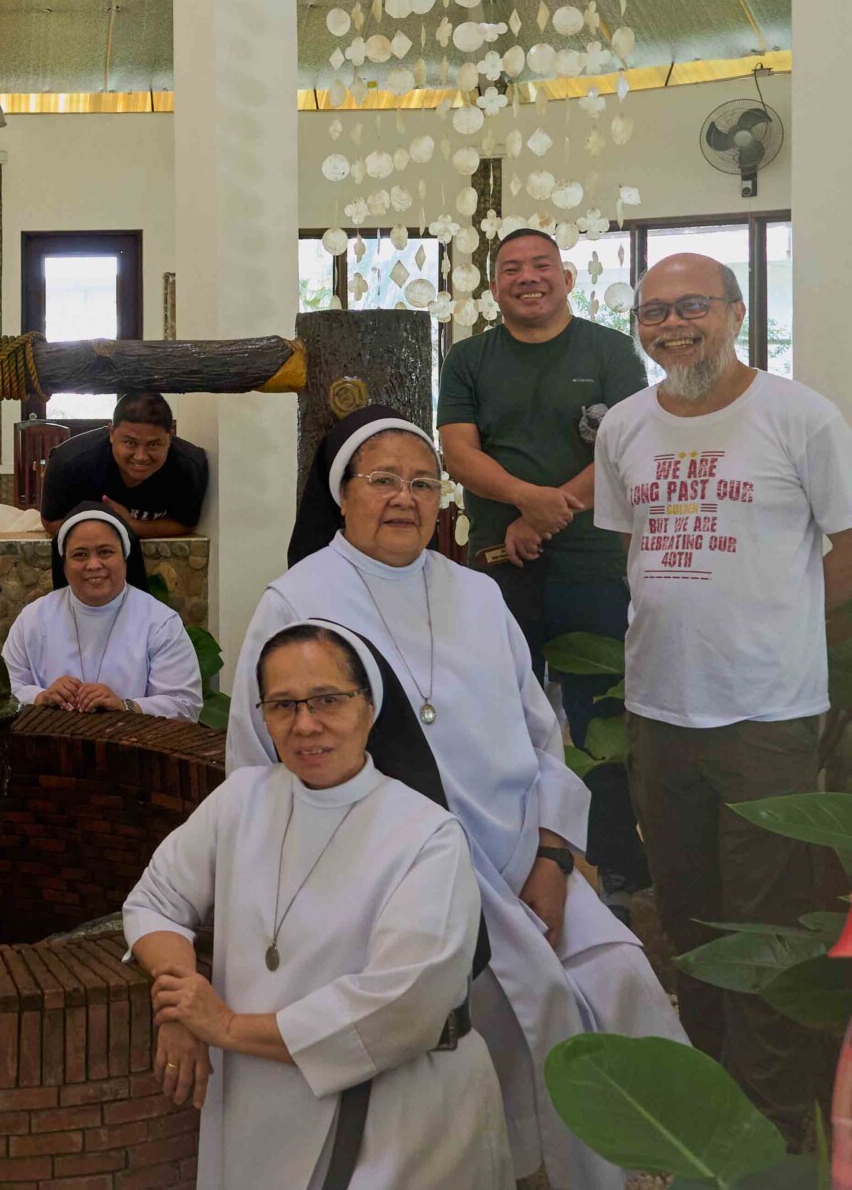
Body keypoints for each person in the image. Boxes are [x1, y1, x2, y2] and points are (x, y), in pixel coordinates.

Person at [235, 405, 683, 1190]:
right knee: (521, 1004)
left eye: (422, 483)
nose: (404, 499)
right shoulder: (295, 605)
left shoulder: (477, 595)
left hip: (524, 857)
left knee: (622, 974)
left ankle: (652, 1166)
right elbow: (257, 769)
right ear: (343, 493)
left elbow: (542, 738)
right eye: (383, 480)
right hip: (398, 883)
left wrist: (553, 856)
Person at [595, 252, 852, 1142]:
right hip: (658, 710)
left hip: (766, 717)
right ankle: (713, 1115)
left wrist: (782, 626)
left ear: (737, 314)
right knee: (690, 922)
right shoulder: (623, 426)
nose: (672, 325)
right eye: (653, 312)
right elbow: (635, 549)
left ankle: (777, 1133)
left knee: (766, 933)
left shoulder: (800, 417)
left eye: (692, 306)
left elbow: (846, 546)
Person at [125, 619, 512, 1190]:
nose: (305, 724)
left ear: (369, 707)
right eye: (282, 705)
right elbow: (156, 901)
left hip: (398, 1113)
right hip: (257, 1092)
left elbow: (405, 1002)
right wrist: (183, 1001)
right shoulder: (240, 801)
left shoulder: (426, 836)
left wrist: (224, 1025)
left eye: (328, 699)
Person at [439, 228, 654, 918]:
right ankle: (507, 853)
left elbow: (625, 447)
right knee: (501, 708)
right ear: (493, 285)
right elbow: (458, 454)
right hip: (497, 563)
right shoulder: (469, 358)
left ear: (566, 278)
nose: (527, 277)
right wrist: (526, 502)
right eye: (511, 268)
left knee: (601, 713)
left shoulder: (610, 350)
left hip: (594, 560)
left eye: (540, 265)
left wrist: (545, 514)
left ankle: (618, 864)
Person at [2, 503, 202, 720]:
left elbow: (186, 705)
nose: (94, 565)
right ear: (64, 563)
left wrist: (125, 706)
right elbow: (2, 693)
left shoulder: (160, 622)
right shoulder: (33, 619)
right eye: (80, 555)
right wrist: (40, 697)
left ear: (125, 557)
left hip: (130, 741)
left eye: (105, 552)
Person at [38, 392, 209, 537]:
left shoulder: (189, 465)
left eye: (153, 444)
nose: (141, 457)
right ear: (112, 433)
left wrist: (131, 525)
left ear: (170, 437)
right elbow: (51, 522)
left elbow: (186, 523)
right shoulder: (69, 463)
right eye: (130, 443)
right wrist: (110, 526)